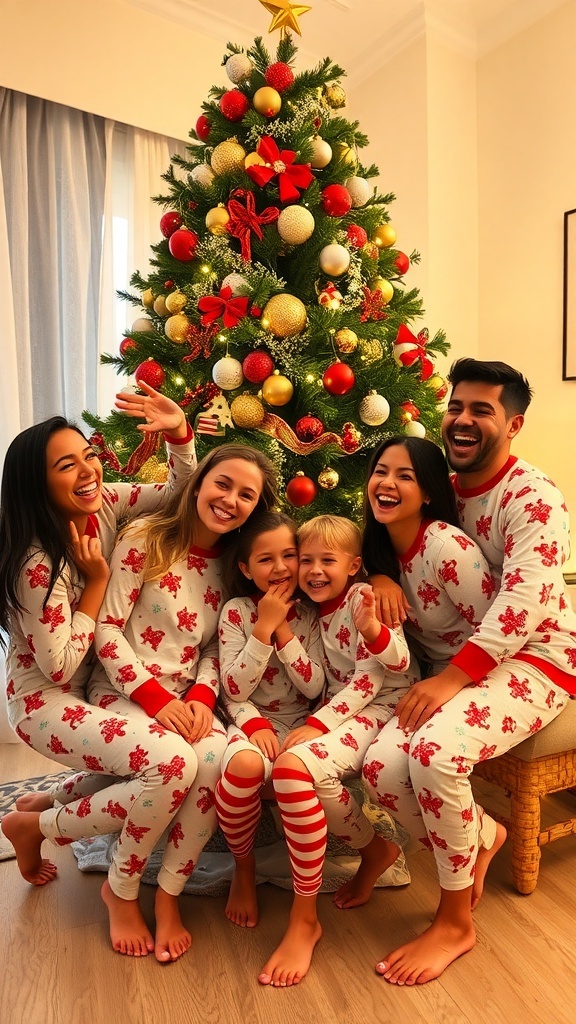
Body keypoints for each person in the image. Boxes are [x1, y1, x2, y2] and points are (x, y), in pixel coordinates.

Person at [1, 443, 278, 962]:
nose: (231, 500)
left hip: (185, 694)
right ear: (199, 484)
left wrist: (200, 694)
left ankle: (169, 894)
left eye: (247, 494)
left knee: (215, 765)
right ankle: (119, 886)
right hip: (112, 689)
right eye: (222, 484)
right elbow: (101, 630)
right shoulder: (139, 538)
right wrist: (154, 698)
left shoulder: (236, 562)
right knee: (173, 766)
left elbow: (220, 641)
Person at [370, 358, 576, 986]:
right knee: (380, 766)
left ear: (513, 424)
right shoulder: (442, 486)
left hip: (538, 657)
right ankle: (482, 835)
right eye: (456, 406)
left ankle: (456, 921)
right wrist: (379, 571)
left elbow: (525, 603)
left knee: (432, 751)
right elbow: (396, 535)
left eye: (481, 410)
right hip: (459, 662)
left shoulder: (532, 497)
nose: (462, 419)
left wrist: (452, 677)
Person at [1, 383, 196, 824]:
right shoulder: (36, 563)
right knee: (170, 766)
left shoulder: (103, 504)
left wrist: (179, 433)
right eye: (67, 466)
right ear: (37, 484)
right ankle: (35, 827)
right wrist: (97, 583)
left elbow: (177, 494)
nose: (89, 471)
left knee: (169, 752)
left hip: (97, 683)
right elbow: (60, 668)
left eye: (89, 455)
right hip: (43, 702)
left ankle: (48, 803)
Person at [258, 514, 417, 988]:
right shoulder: (310, 611)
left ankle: (305, 917)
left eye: (328, 560)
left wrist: (317, 723)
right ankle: (375, 849)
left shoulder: (361, 599)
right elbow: (321, 678)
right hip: (344, 710)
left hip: (386, 706)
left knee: (292, 770)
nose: (314, 570)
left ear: (354, 566)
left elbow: (389, 667)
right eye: (306, 560)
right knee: (294, 772)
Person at [214, 509, 325, 928]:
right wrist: (262, 628)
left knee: (293, 773)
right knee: (243, 766)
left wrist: (282, 631)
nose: (280, 568)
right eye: (265, 560)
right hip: (250, 719)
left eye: (290, 555)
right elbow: (235, 691)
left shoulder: (313, 614)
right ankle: (243, 866)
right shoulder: (237, 612)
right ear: (245, 568)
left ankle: (305, 898)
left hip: (300, 723)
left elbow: (314, 688)